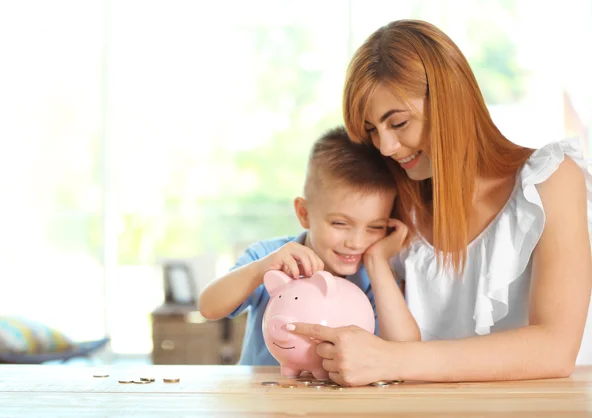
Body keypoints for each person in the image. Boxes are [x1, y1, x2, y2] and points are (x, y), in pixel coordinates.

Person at [288, 19, 592, 385]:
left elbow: (555, 350)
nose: (385, 147)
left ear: (451, 102)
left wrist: (392, 360)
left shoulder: (550, 180)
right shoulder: (395, 205)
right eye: (371, 130)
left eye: (398, 123)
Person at [198, 126, 420, 365]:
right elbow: (209, 307)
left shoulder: (375, 276)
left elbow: (404, 350)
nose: (356, 242)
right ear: (304, 213)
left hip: (340, 400)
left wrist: (377, 262)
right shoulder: (269, 257)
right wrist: (260, 269)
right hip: (265, 397)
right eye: (339, 223)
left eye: (375, 227)